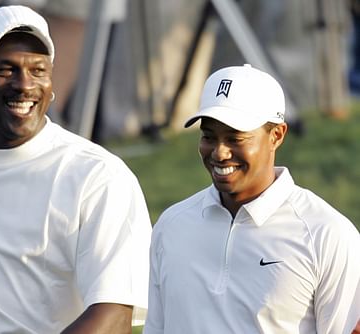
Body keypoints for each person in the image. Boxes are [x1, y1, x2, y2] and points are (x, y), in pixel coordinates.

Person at [0, 5, 152, 333]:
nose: (24, 85)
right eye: (6, 69)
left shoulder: (98, 177)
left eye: (38, 70)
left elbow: (114, 314)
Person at [144, 64, 360, 333]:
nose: (219, 153)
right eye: (209, 137)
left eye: (235, 138)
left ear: (276, 135)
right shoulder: (171, 225)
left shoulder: (326, 234)